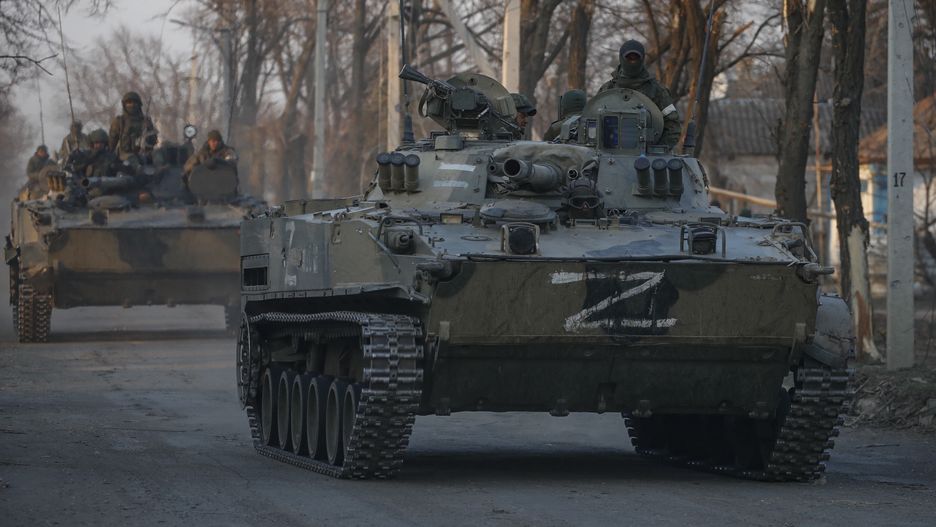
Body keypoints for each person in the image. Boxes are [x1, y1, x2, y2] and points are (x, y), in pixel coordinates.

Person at [598, 40, 681, 148]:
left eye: (636, 58)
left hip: (646, 157)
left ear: (642, 59)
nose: (632, 61)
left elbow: (673, 125)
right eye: (629, 58)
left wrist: (657, 151)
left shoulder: (657, 91)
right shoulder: (607, 90)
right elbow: (593, 120)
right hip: (608, 153)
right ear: (621, 58)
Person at [109, 91, 158, 160]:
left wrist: (147, 136)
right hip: (125, 155)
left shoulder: (146, 121)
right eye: (129, 103)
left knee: (158, 154)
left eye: (135, 103)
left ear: (139, 105)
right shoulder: (119, 121)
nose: (132, 105)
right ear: (124, 105)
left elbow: (154, 140)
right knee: (132, 159)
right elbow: (111, 144)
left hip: (145, 153)